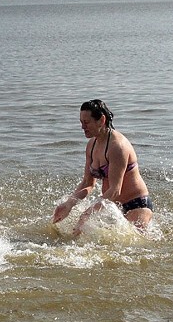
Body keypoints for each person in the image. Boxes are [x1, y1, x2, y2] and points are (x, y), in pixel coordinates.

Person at [52, 99, 153, 235]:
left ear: (101, 120)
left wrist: (87, 213)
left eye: (86, 123)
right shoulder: (91, 145)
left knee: (132, 248)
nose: (82, 127)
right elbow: (88, 183)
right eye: (81, 122)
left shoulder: (117, 146)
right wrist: (69, 204)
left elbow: (115, 190)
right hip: (114, 206)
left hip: (136, 205)